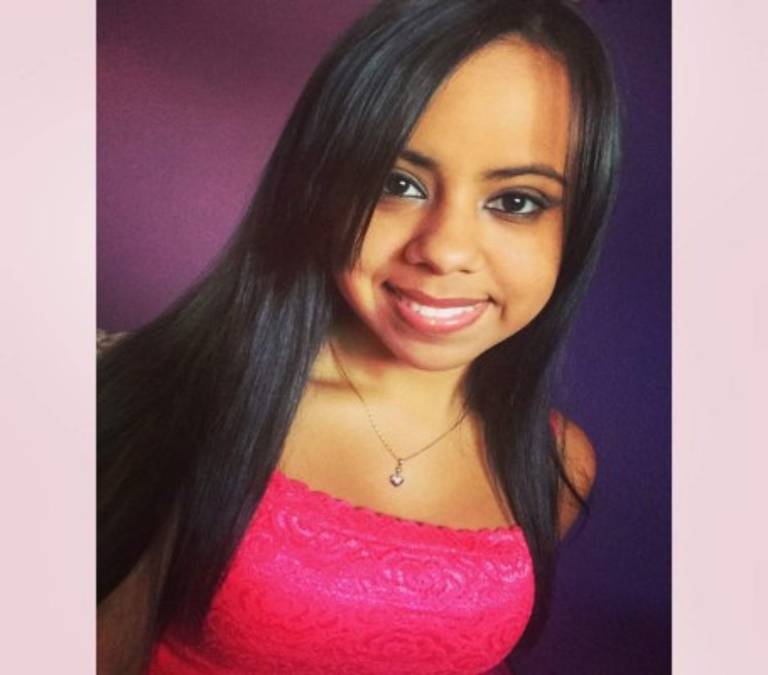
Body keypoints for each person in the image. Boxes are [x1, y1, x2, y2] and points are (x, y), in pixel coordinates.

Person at [97, 0, 620, 673]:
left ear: (576, 224)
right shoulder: (182, 403)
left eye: (515, 201)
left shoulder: (555, 464)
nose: (445, 250)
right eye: (397, 184)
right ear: (320, 188)